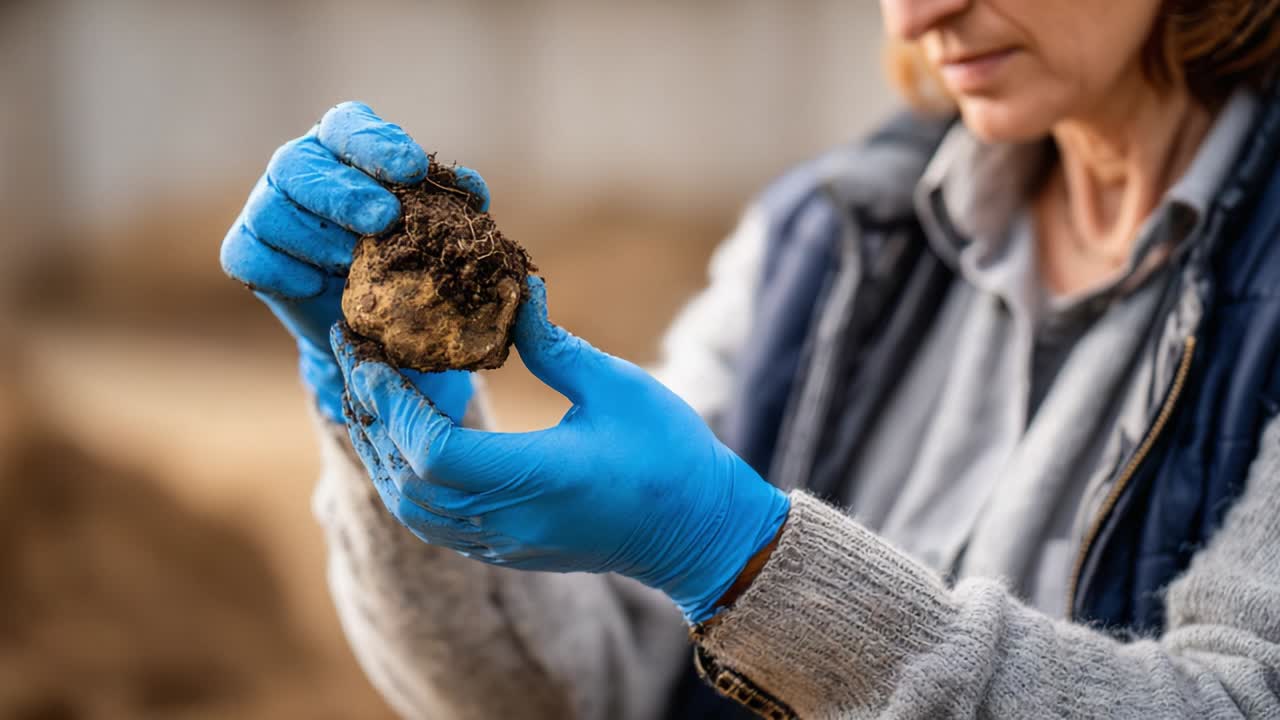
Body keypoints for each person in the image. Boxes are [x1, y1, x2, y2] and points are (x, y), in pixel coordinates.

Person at [221, 1, 1280, 717]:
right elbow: (566, 690)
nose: (913, 12)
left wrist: (746, 561)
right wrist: (398, 423)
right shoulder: (823, 241)